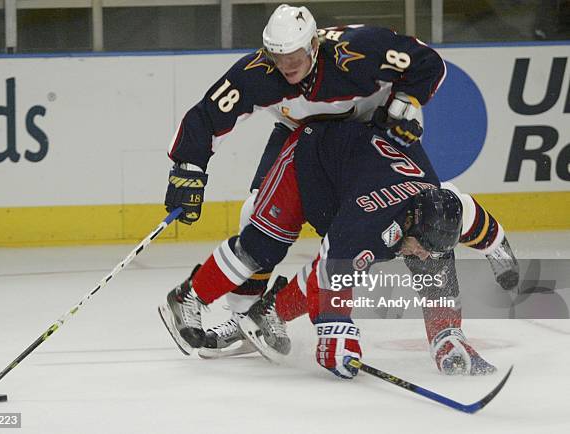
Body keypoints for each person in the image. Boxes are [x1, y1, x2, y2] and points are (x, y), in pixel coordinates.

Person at [162, 4, 518, 357]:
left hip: (376, 136)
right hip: (302, 142)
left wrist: (407, 99)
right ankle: (243, 319)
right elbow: (207, 116)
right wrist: (187, 170)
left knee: (428, 217)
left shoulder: (361, 50)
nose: (287, 65)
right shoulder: (256, 73)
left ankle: (446, 332)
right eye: (278, 55)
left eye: (296, 54)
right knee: (258, 219)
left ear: (315, 45)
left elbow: (427, 62)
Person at [159, 120, 497, 377]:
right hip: (307, 161)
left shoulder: (440, 211)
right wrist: (334, 331)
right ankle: (190, 296)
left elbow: (476, 235)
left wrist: (448, 333)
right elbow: (332, 270)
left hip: (345, 181)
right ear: (411, 222)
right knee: (260, 245)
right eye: (423, 247)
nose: (425, 255)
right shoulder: (371, 219)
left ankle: (267, 312)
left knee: (349, 257)